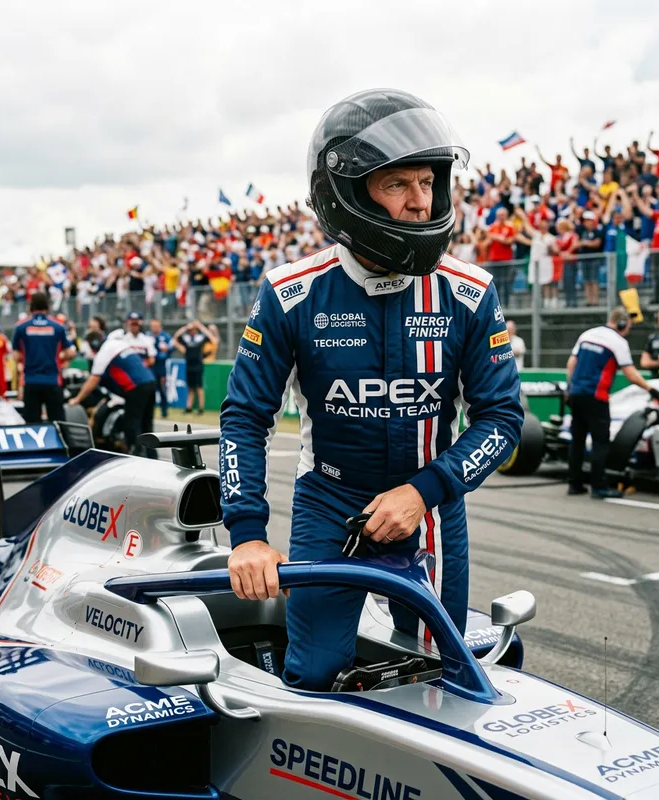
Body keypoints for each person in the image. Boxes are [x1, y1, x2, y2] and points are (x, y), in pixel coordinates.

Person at [219, 88, 523, 692]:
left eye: (428, 182)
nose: (421, 201)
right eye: (398, 184)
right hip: (329, 503)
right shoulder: (290, 293)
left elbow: (503, 419)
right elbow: (245, 418)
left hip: (429, 505)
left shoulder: (469, 291)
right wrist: (247, 534)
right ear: (348, 193)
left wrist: (421, 493)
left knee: (444, 677)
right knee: (312, 675)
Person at [566, 307, 659, 499]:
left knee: (577, 441)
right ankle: (599, 487)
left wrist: (571, 387)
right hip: (597, 397)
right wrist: (650, 389)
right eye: (628, 326)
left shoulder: (587, 334)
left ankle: (574, 484)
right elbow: (631, 374)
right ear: (622, 323)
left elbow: (571, 363)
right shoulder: (618, 342)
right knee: (600, 442)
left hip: (576, 393)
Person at [68, 336, 157, 457]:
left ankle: (138, 455)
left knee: (132, 424)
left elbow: (94, 378)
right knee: (147, 425)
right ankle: (153, 456)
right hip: (151, 382)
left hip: (136, 388)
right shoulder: (119, 344)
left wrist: (77, 399)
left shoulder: (103, 353)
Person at [12, 293, 76, 423]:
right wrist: (60, 356)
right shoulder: (58, 326)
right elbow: (71, 352)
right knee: (58, 423)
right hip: (52, 381)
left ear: (31, 306)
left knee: (32, 425)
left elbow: (16, 355)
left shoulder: (21, 327)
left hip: (31, 381)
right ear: (47, 306)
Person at [172, 320, 218, 414]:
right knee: (190, 387)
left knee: (199, 387)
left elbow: (213, 339)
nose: (192, 331)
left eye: (194, 329)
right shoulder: (186, 339)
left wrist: (201, 327)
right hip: (189, 366)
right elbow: (175, 339)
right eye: (191, 330)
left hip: (198, 366)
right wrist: (186, 327)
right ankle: (189, 407)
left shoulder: (200, 338)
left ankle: (201, 408)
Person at [148, 318, 173, 419]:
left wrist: (164, 351)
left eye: (156, 326)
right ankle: (150, 412)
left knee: (162, 390)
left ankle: (164, 412)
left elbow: (170, 349)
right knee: (150, 392)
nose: (154, 328)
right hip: (150, 369)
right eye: (153, 326)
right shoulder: (147, 337)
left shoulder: (165, 337)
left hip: (161, 368)